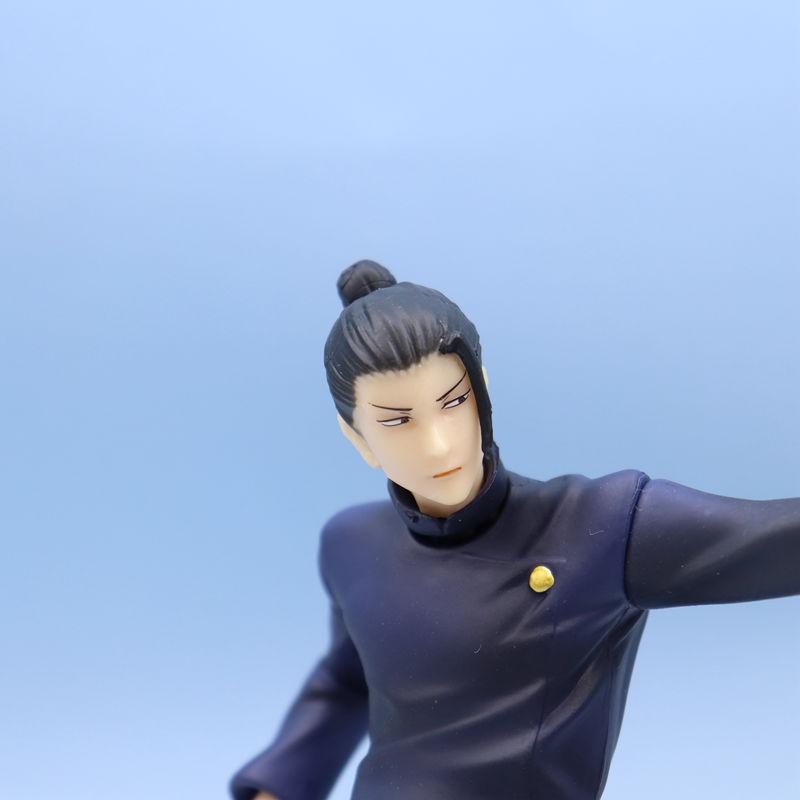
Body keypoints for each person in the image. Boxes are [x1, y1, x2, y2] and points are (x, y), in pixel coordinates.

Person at [229, 260, 799, 800]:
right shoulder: (353, 544)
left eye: (453, 401)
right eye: (397, 421)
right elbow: (349, 680)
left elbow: (772, 542)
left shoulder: (597, 527)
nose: (438, 445)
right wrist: (277, 786)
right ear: (357, 437)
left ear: (483, 390)